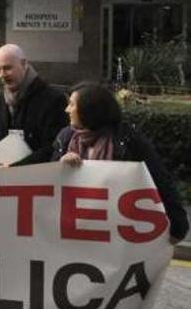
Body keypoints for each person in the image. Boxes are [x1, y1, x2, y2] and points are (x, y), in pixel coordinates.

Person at [54, 83, 189, 244]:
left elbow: (159, 178)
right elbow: (49, 182)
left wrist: (178, 226)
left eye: (72, 104)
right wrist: (60, 165)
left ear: (89, 109)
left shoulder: (128, 140)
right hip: (77, 227)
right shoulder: (65, 137)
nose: (66, 110)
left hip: (116, 229)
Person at [0, 44, 68, 166]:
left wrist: (18, 167)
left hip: (40, 177)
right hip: (3, 178)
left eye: (7, 68)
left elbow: (54, 147)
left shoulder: (53, 99)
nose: (2, 75)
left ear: (24, 64)